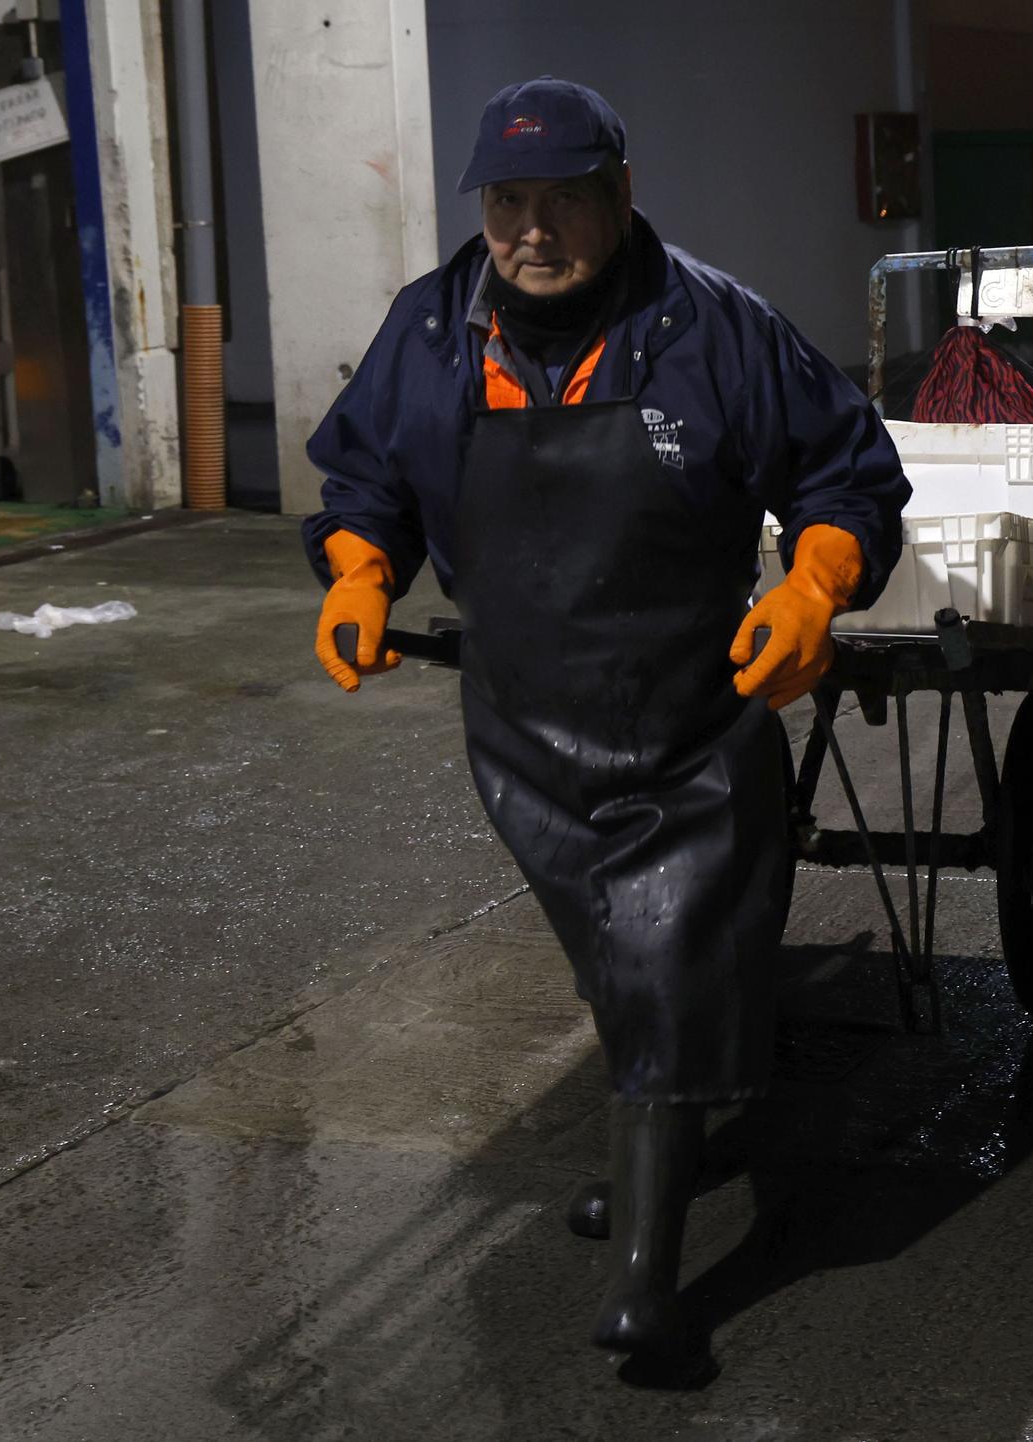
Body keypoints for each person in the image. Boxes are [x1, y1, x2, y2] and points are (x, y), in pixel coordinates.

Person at [304, 76, 909, 1362]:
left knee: (661, 952)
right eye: (507, 201)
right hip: (521, 726)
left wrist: (813, 583)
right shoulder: (429, 330)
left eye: (562, 199)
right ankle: (670, 1146)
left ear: (620, 196)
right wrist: (360, 568)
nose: (530, 229)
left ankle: (648, 1278)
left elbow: (844, 471)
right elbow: (367, 476)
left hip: (690, 712)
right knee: (617, 967)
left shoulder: (712, 324)